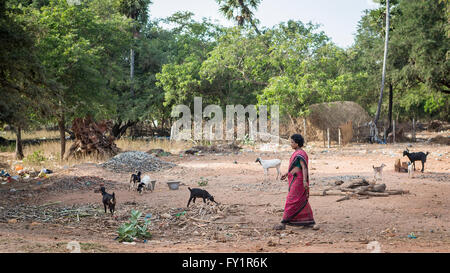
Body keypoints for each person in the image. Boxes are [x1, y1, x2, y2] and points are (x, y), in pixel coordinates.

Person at [274, 134, 316, 230]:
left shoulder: (301, 154)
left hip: (299, 180)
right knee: (300, 199)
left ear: (297, 143)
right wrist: (286, 174)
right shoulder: (296, 153)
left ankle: (283, 222)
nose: (291, 144)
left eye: (292, 142)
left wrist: (305, 181)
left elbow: (304, 167)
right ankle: (309, 221)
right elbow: (295, 167)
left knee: (291, 200)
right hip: (294, 178)